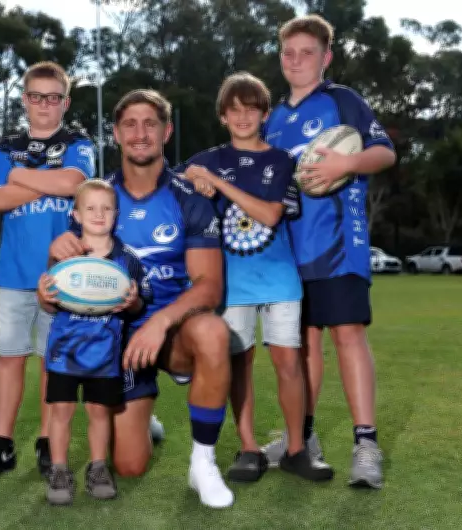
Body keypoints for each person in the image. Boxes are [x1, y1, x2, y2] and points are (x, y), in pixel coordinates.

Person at [45, 89, 236, 509]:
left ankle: (203, 463)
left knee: (213, 332)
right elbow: (64, 284)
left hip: (173, 330)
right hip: (115, 339)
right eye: (129, 124)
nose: (140, 133)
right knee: (129, 465)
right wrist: (54, 262)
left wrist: (159, 322)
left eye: (150, 124)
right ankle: (143, 416)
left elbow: (209, 286)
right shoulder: (97, 198)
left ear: (166, 132)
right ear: (115, 134)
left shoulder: (189, 197)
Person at [258, 15, 397, 489]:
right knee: (301, 344)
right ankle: (301, 440)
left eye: (307, 52)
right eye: (289, 52)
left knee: (347, 334)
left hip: (338, 243)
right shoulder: (273, 119)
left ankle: (366, 445)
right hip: (287, 251)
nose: (296, 60)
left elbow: (385, 152)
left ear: (326, 57)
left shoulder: (342, 101)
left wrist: (348, 162)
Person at [177, 72, 331, 483]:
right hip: (231, 281)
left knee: (288, 361)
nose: (242, 117)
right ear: (223, 116)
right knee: (238, 363)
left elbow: (269, 214)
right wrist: (192, 177)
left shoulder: (280, 160)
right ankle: (248, 448)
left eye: (251, 109)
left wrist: (217, 183)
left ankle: (296, 449)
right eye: (234, 110)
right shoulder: (207, 159)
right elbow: (173, 182)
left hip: (279, 276)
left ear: (264, 114)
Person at [0, 61, 96, 480]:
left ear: (65, 102)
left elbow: (75, 184)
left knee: (49, 360)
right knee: (10, 356)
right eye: (36, 97)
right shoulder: (7, 146)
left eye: (53, 97)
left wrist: (21, 176)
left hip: (63, 274)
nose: (44, 104)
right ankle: (2, 443)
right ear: (25, 100)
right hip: (15, 272)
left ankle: (46, 439)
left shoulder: (77, 142)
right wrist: (47, 178)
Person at [37, 179, 148, 505]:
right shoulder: (64, 256)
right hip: (64, 351)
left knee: (99, 412)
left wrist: (133, 303)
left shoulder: (127, 260)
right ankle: (59, 469)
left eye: (106, 208)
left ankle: (98, 468)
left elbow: (139, 306)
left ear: (116, 215)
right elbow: (48, 305)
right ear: (76, 215)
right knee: (61, 411)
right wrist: (43, 296)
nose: (99, 215)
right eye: (91, 208)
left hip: (105, 353)